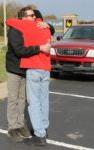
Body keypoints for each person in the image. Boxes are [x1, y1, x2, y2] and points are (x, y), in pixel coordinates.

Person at [6, 6, 55, 146]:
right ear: (22, 17)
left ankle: (20, 124)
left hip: (27, 69)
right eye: (31, 15)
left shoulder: (30, 27)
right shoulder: (15, 30)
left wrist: (48, 25)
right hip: (14, 68)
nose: (34, 17)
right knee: (13, 99)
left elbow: (47, 30)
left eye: (34, 15)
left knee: (23, 99)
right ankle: (13, 127)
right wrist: (39, 47)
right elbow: (19, 50)